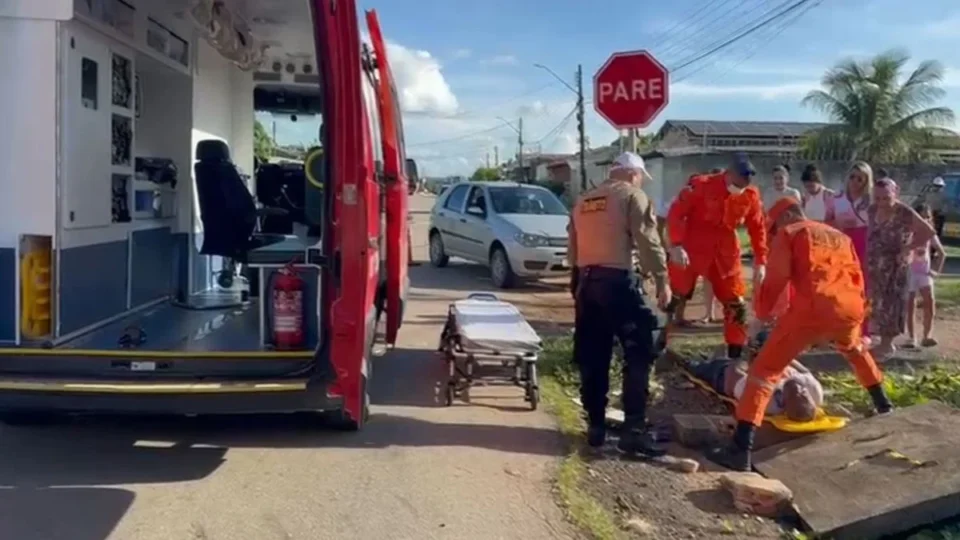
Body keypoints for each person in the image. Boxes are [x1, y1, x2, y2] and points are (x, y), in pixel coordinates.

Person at [707, 197, 893, 471]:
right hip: (850, 306)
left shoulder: (790, 232)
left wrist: (761, 315)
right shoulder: (839, 235)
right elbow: (856, 276)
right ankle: (884, 406)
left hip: (814, 308)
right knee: (854, 351)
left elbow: (776, 279)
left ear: (785, 217)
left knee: (763, 372)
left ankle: (740, 449)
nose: (771, 236)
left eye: (771, 230)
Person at [568, 151, 672, 456]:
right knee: (641, 347)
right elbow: (647, 240)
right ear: (633, 173)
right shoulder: (632, 196)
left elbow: (572, 247)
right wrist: (663, 281)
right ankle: (634, 430)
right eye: (640, 177)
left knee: (593, 354)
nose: (641, 182)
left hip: (587, 284)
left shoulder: (584, 200)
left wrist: (576, 285)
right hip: (619, 282)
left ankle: (596, 426)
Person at [667, 153, 768, 359]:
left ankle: (735, 353)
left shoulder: (750, 195)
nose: (741, 188)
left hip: (726, 252)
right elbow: (676, 213)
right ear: (728, 174)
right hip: (692, 247)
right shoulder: (701, 185)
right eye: (739, 182)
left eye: (746, 183)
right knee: (673, 298)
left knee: (736, 304)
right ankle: (658, 345)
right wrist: (676, 244)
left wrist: (761, 260)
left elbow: (758, 228)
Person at [867, 178, 937, 358]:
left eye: (886, 198)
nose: (882, 202)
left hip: (896, 266)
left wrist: (908, 248)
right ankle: (881, 342)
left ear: (895, 193)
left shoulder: (904, 212)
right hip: (876, 264)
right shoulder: (872, 209)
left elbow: (928, 232)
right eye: (878, 198)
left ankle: (887, 344)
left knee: (892, 303)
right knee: (878, 302)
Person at [688, 354, 822, 422]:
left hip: (723, 375)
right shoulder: (814, 389)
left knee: (700, 367)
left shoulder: (766, 400)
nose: (798, 390)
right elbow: (801, 368)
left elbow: (732, 378)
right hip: (758, 365)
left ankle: (693, 363)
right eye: (804, 394)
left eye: (794, 396)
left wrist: (744, 363)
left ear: (784, 404)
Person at [826, 161, 873, 336]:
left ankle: (863, 329)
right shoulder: (836, 197)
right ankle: (840, 327)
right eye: (852, 177)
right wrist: (838, 224)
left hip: (863, 243)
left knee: (862, 287)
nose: (855, 181)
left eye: (860, 179)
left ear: (866, 181)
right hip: (841, 242)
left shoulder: (871, 199)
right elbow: (827, 220)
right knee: (840, 285)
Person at [905, 203, 945, 349]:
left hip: (924, 272)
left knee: (930, 301)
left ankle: (927, 335)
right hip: (910, 272)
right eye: (922, 216)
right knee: (910, 304)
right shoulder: (909, 232)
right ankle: (911, 337)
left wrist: (935, 271)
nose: (925, 220)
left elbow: (942, 253)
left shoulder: (930, 235)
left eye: (927, 217)